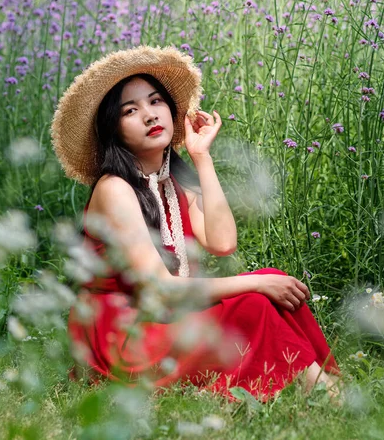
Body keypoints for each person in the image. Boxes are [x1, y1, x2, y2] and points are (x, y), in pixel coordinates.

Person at [51, 45, 341, 402]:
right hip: (123, 337)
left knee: (270, 284)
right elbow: (159, 289)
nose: (149, 115)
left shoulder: (170, 185)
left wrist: (201, 158)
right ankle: (328, 396)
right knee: (256, 300)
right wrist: (257, 283)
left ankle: (321, 391)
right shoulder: (115, 189)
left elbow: (222, 242)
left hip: (165, 317)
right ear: (114, 129)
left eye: (156, 102)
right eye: (130, 110)